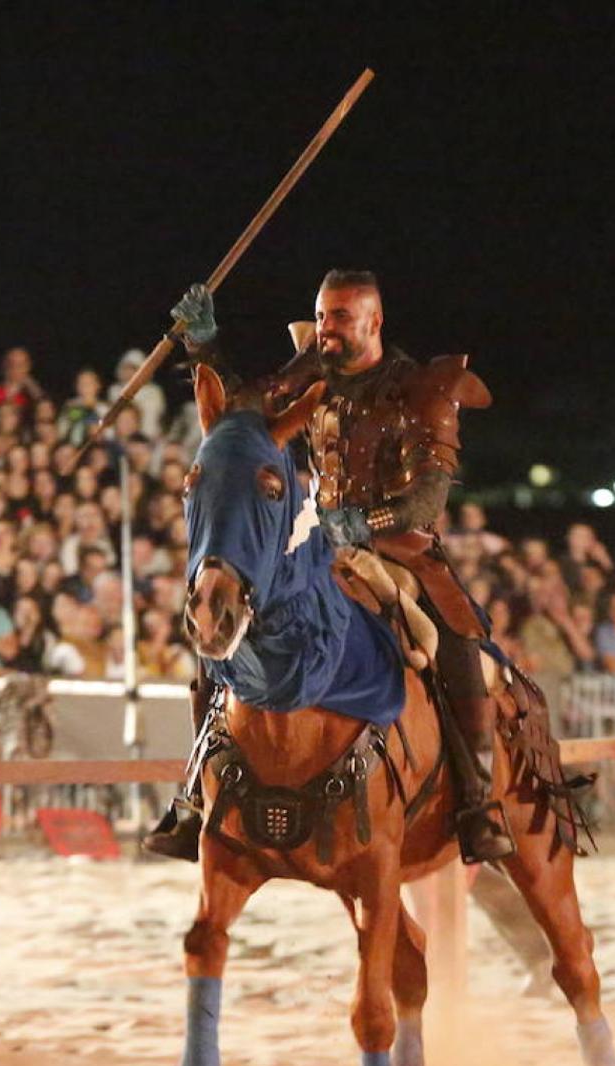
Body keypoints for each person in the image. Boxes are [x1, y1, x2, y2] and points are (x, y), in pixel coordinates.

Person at [147, 270, 514, 863]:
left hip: (400, 547)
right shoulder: (307, 374)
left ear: (374, 321)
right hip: (315, 540)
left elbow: (426, 501)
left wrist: (360, 525)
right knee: (222, 618)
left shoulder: (420, 390)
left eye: (340, 318)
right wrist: (202, 345)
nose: (326, 330)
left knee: (455, 637)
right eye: (320, 317)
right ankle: (196, 793)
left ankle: (477, 803)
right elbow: (238, 413)